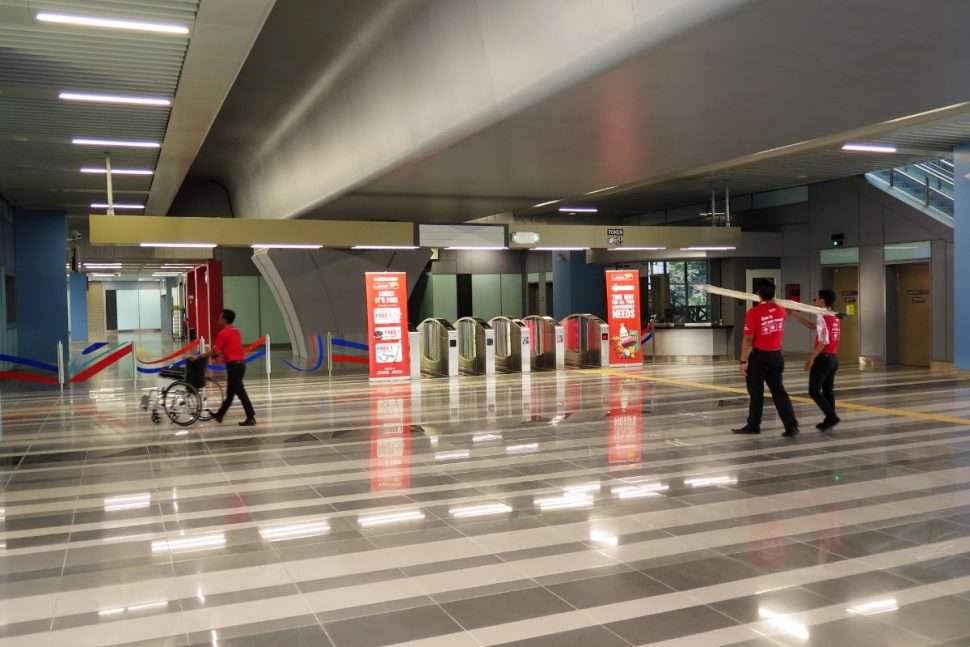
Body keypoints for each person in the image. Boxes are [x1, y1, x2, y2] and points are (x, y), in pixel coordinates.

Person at [733, 282, 799, 437]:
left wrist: (743, 361)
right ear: (774, 294)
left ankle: (753, 426)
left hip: (759, 357)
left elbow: (748, 338)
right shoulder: (780, 310)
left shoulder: (753, 312)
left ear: (758, 294)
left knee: (756, 393)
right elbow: (786, 312)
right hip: (776, 356)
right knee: (779, 392)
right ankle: (791, 426)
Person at [189, 309, 256, 426]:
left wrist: (198, 356)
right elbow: (232, 348)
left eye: (220, 317)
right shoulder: (236, 331)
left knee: (241, 393)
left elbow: (213, 350)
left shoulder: (224, 333)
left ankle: (251, 417)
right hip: (240, 366)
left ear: (224, 320)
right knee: (230, 394)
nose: (218, 319)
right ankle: (220, 415)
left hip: (234, 368)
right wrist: (220, 354)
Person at [789, 289, 841, 431]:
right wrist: (796, 315)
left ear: (822, 301)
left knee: (813, 390)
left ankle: (831, 416)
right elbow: (813, 327)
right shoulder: (833, 316)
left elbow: (823, 341)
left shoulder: (823, 316)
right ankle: (830, 418)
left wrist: (811, 358)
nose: (814, 300)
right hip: (833, 358)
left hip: (823, 358)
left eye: (816, 298)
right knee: (827, 389)